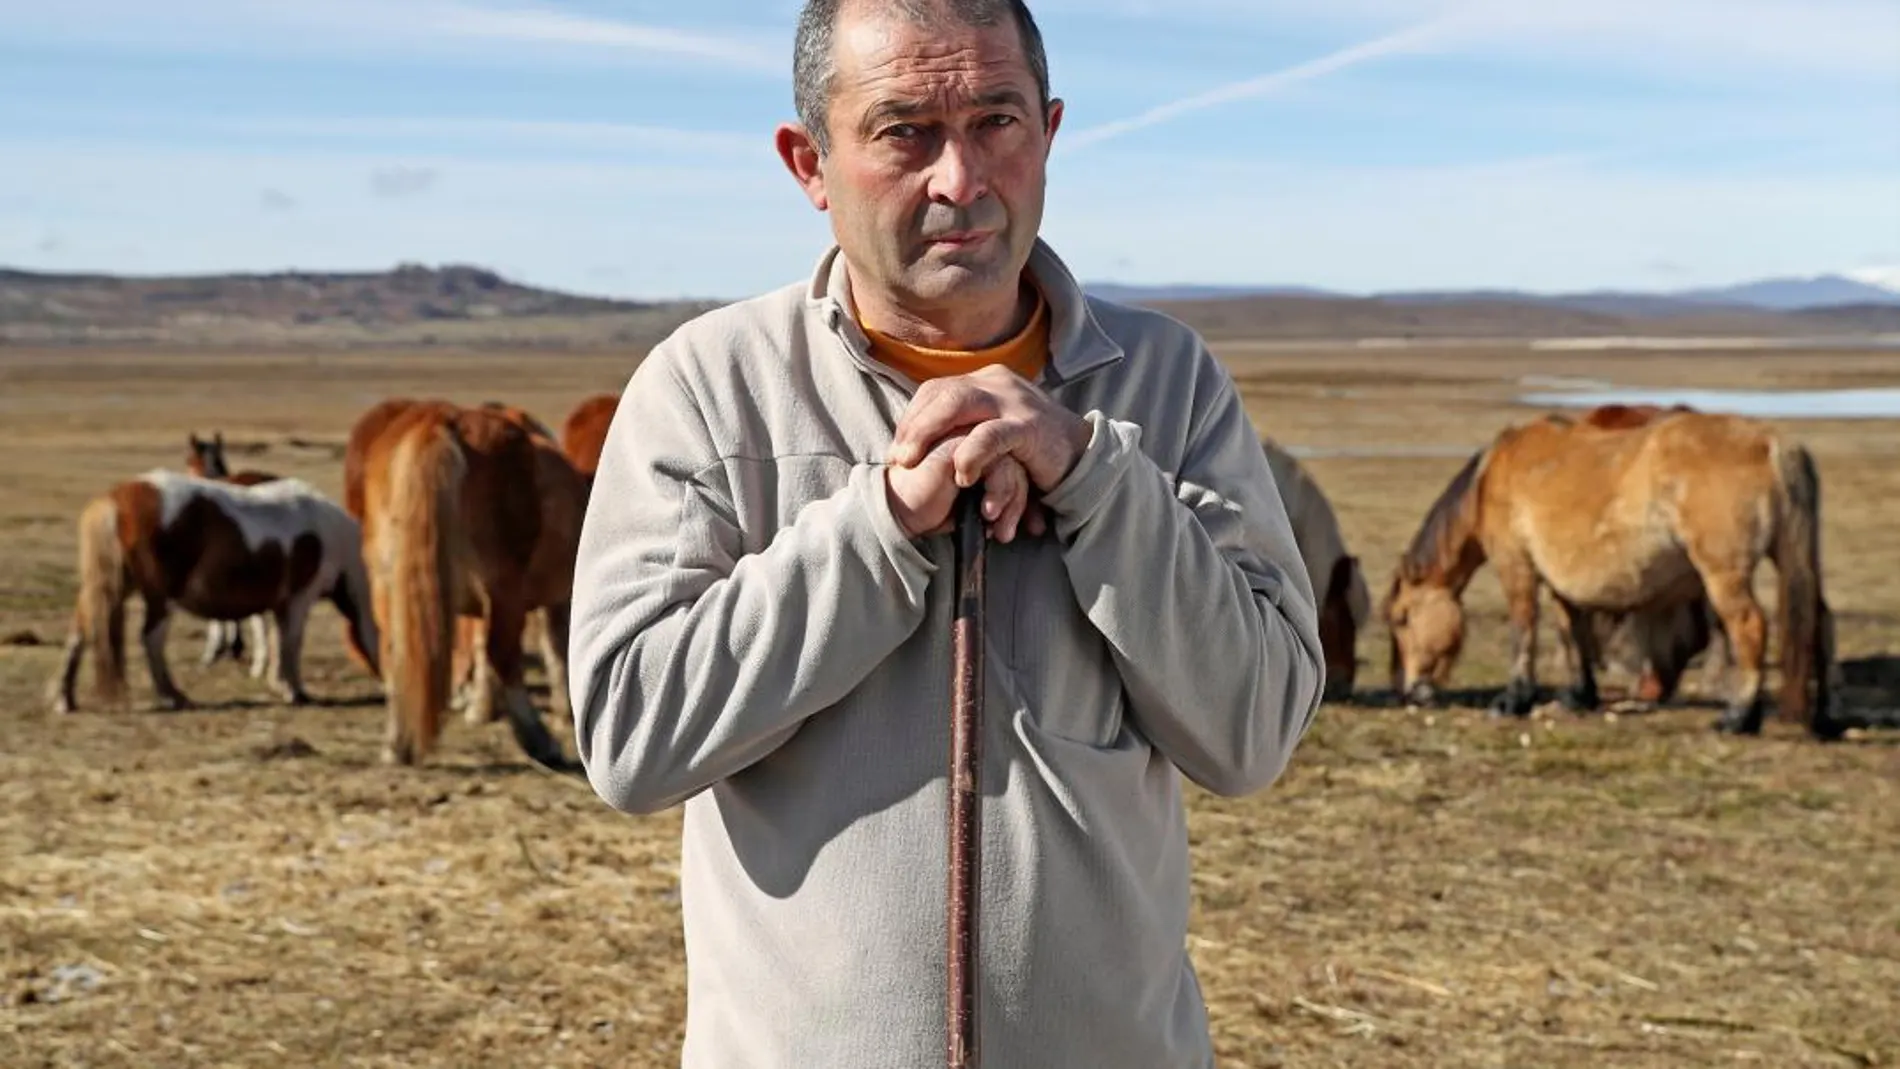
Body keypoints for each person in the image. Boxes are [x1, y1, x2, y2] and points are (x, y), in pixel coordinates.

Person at [564, 0, 1326, 1064]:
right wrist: (878, 525)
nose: (960, 181)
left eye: (996, 122)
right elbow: (634, 739)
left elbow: (1252, 731)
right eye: (904, 130)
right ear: (809, 163)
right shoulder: (711, 389)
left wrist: (1096, 478)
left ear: (1049, 134)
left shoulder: (1168, 385)